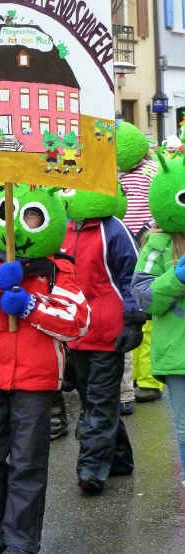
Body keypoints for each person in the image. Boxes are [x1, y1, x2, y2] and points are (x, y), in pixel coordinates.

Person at [0, 186, 90, 554]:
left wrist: (30, 307)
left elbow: (77, 321)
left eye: (34, 216)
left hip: (36, 382)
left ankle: (21, 540)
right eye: (17, 216)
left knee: (27, 463)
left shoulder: (58, 268)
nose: (24, 226)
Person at [58, 187, 140, 493]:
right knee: (94, 401)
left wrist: (132, 319)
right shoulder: (61, 225)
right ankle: (120, 459)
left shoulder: (114, 229)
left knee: (100, 404)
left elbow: (132, 275)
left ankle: (90, 468)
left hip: (108, 333)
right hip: (75, 333)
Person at [132, 151, 185, 489]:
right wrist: (177, 277)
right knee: (184, 428)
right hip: (179, 354)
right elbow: (144, 297)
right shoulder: (158, 244)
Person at [117, 123, 163, 404]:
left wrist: (145, 229)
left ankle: (150, 379)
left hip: (145, 242)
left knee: (146, 313)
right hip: (125, 244)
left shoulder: (151, 172)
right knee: (130, 310)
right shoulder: (118, 174)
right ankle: (134, 376)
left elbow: (160, 204)